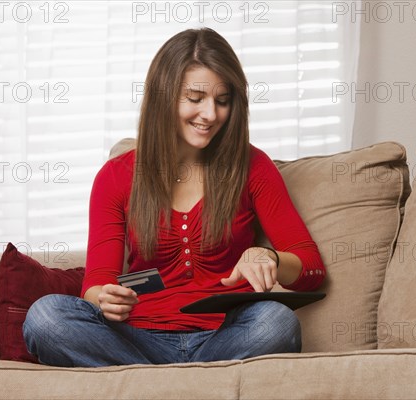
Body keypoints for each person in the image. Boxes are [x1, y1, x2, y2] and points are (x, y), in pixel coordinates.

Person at [23, 27, 326, 367]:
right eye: (196, 99)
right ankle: (186, 385)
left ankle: (152, 385)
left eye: (222, 101)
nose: (210, 114)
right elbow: (97, 281)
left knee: (277, 321)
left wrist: (268, 256)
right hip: (137, 339)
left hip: (225, 337)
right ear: (164, 97)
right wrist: (102, 298)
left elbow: (312, 270)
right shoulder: (117, 176)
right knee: (46, 317)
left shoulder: (253, 167)